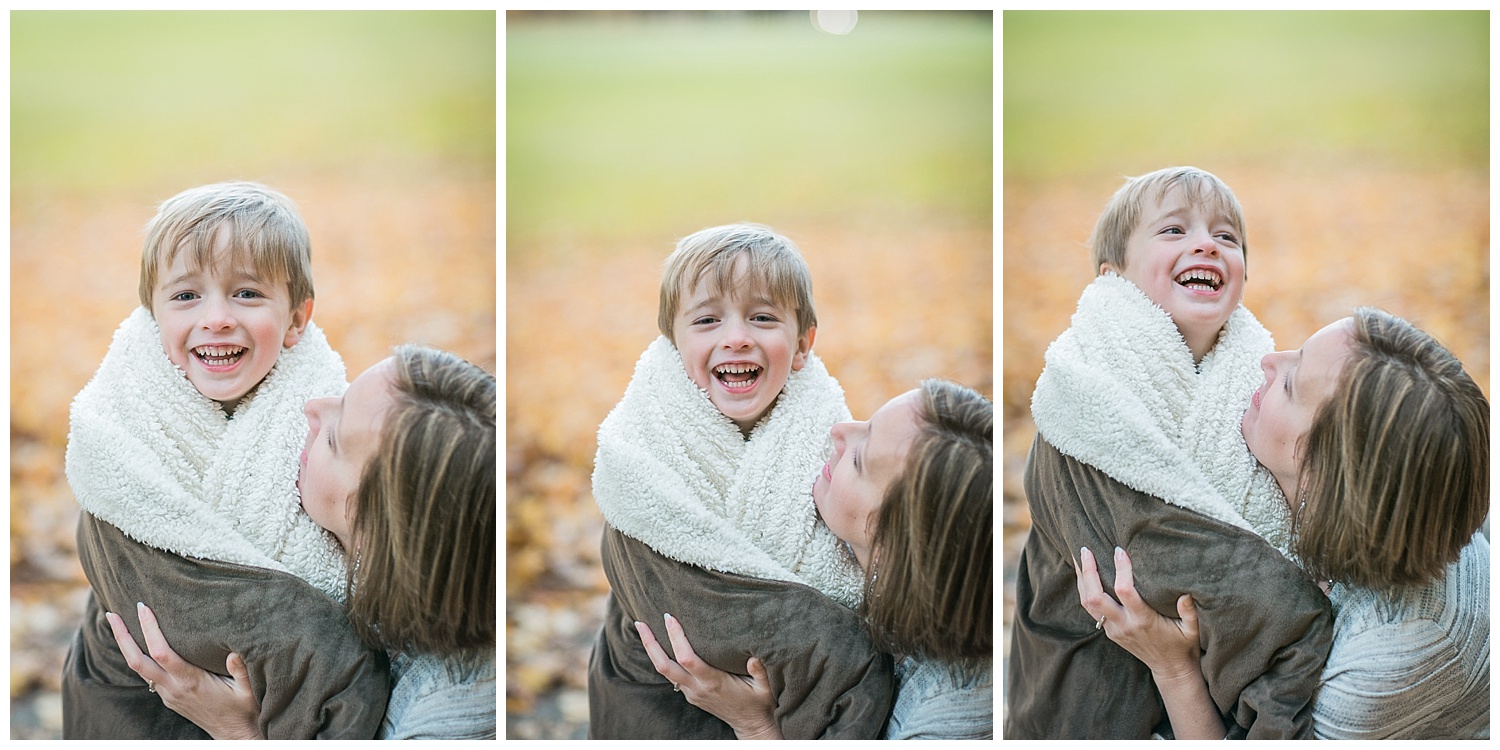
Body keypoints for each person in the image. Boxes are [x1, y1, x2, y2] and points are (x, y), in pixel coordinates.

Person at [1006, 167, 1334, 739]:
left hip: (1198, 698)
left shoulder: (1248, 383)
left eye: (1226, 237)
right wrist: (1306, 616)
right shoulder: (1081, 401)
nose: (1206, 243)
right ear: (1113, 278)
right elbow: (1168, 558)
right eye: (1174, 230)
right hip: (1090, 704)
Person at [62, 182, 389, 738]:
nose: (216, 318)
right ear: (152, 313)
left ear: (296, 319)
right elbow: (182, 598)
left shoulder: (324, 416)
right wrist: (344, 673)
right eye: (186, 296)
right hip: (132, 709)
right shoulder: (121, 427)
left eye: (246, 294)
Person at [1077, 308, 1489, 740]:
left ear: (1321, 474)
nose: (1269, 360)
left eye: (1291, 384)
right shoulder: (1373, 515)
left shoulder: (1390, 650)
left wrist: (1173, 668)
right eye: (1298, 352)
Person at [587, 223, 893, 739]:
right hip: (658, 712)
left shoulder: (831, 443)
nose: (736, 337)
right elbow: (702, 616)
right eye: (707, 319)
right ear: (673, 344)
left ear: (801, 346)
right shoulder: (643, 456)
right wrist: (852, 665)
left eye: (763, 317)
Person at [107, 345, 498, 739]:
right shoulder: (294, 536)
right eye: (344, 396)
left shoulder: (450, 714)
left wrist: (237, 731)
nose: (313, 407)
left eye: (334, 437)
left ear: (378, 521)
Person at [636, 379, 993, 739]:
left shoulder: (949, 720)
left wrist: (756, 726)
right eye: (867, 423)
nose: (839, 431)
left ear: (896, 542)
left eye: (859, 459)